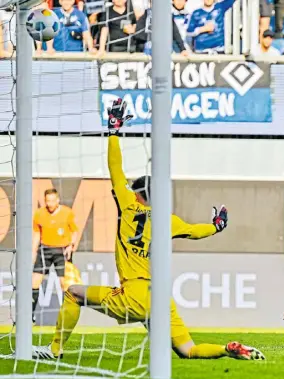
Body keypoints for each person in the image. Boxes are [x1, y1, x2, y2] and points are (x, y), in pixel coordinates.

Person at [32, 99, 265, 362]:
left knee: (73, 293)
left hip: (133, 295)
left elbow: (115, 168)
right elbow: (196, 231)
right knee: (188, 350)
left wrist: (113, 132)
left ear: (138, 194)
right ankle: (228, 350)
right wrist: (216, 226)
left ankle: (54, 350)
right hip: (160, 296)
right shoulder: (167, 220)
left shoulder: (128, 205)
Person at [32, 189, 79, 322]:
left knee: (65, 283)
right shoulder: (39, 214)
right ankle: (30, 316)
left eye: (52, 201)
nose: (50, 204)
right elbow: (36, 234)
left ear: (58, 200)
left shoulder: (67, 213)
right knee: (34, 281)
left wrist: (71, 245)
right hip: (44, 249)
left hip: (62, 250)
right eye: (47, 201)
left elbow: (75, 231)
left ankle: (66, 317)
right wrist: (33, 251)